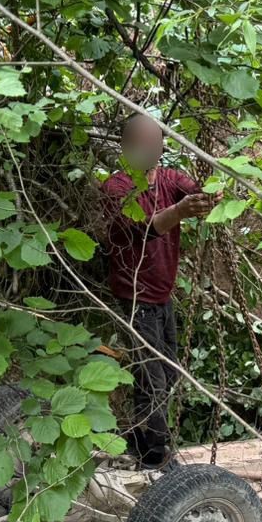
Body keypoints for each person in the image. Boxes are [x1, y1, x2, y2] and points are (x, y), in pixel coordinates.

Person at [101, 114, 216, 467]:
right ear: (125, 146)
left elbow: (198, 192)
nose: (149, 149)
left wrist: (211, 193)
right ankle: (154, 457)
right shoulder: (116, 188)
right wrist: (180, 211)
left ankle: (139, 440)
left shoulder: (168, 179)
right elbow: (145, 228)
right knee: (153, 378)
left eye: (155, 142)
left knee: (168, 372)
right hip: (135, 296)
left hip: (162, 295)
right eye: (141, 142)